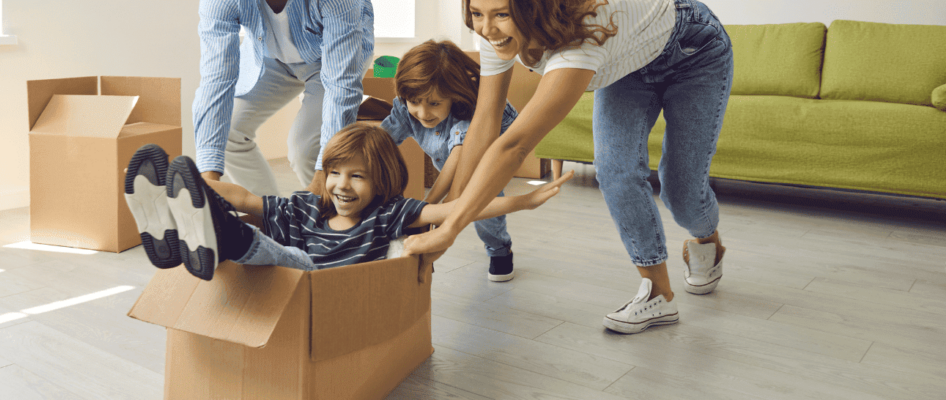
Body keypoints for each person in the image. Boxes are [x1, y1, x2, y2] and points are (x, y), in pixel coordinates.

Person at [403, 0, 733, 334]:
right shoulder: (494, 36)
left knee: (681, 190)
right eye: (476, 14)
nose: (487, 29)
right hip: (626, 63)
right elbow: (485, 122)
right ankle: (659, 294)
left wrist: (450, 229)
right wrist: (450, 214)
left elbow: (514, 146)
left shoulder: (581, 36)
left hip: (692, 50)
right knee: (615, 171)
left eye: (502, 14)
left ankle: (707, 241)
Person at [124, 124, 573, 280]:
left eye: (358, 176)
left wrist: (522, 202)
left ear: (382, 183)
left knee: (287, 256)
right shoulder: (305, 208)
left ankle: (208, 232)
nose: (341, 185)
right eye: (335, 172)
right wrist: (197, 186)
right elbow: (242, 195)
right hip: (265, 282)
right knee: (242, 220)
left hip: (317, 288)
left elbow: (453, 210)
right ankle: (174, 217)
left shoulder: (387, 217)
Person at [192, 0, 375, 197]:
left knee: (306, 149)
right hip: (271, 57)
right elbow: (216, 80)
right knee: (228, 129)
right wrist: (208, 181)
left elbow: (341, 85)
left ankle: (332, 215)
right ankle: (268, 217)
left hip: (331, 57)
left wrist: (322, 182)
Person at [379, 39, 523, 282]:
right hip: (447, 158)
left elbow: (459, 159)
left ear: (453, 98)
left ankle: (499, 249)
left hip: (489, 152)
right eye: (415, 103)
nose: (423, 114)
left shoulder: (466, 111)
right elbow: (380, 143)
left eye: (434, 103)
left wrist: (427, 206)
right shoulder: (406, 108)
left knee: (482, 205)